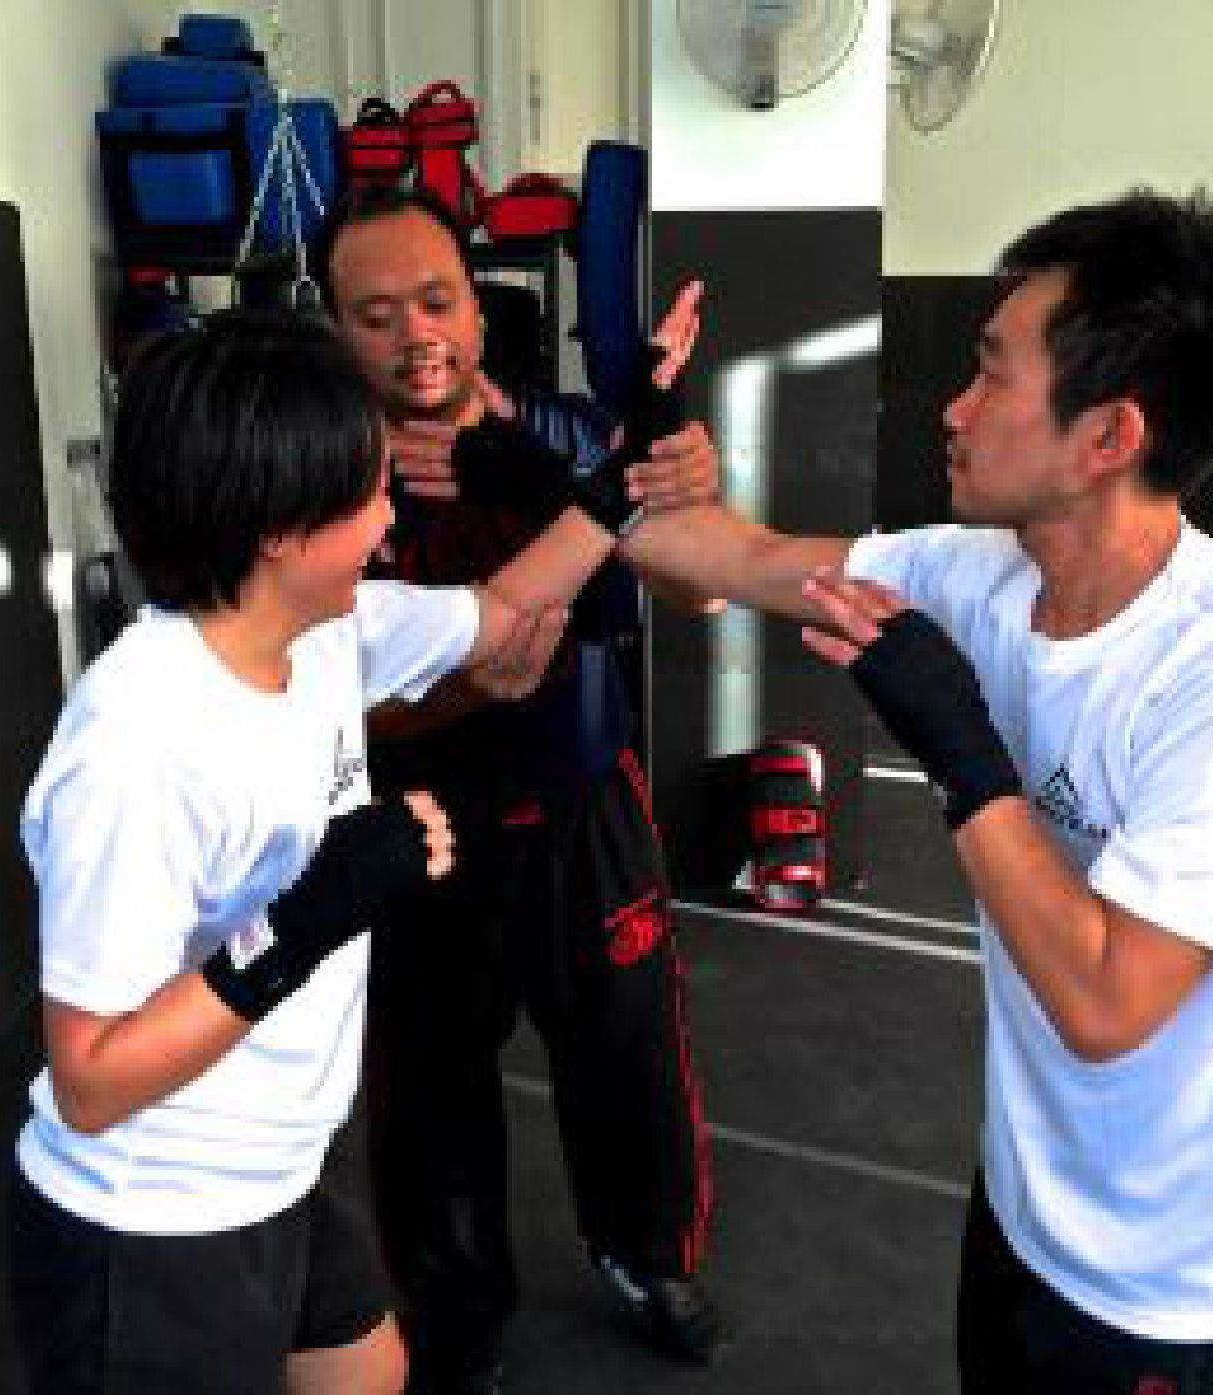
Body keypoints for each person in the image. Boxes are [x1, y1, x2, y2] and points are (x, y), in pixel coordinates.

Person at [318, 186, 851, 1395]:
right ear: (337, 330)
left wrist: (680, 477)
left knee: (628, 1059)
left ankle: (640, 1254)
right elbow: (321, 703)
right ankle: (455, 1315)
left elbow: (699, 591)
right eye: (377, 314)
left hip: (582, 804)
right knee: (431, 1094)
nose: (417, 337)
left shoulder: (569, 430)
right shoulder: (325, 480)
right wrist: (470, 691)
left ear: (476, 295)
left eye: (438, 299)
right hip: (416, 831)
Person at [8, 307, 570, 1395]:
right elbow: (88, 1081)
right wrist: (309, 916)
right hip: (149, 1219)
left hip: (280, 1170)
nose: (388, 509)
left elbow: (505, 611)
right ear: (278, 527)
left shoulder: (319, 637)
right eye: (365, 490)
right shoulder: (136, 743)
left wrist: (612, 495)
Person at [799, 188, 1213, 1393]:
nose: (953, 409)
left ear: (1106, 436)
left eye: (989, 375)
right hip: (1024, 1210)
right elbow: (744, 558)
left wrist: (962, 753)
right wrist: (578, 468)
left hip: (1176, 1289)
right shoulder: (975, 571)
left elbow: (1102, 1000)